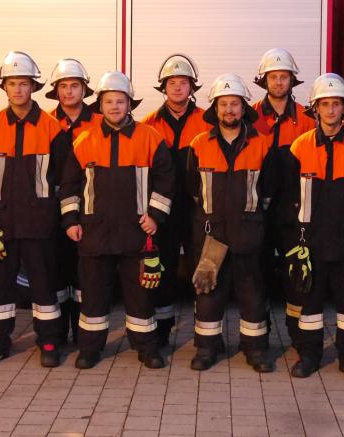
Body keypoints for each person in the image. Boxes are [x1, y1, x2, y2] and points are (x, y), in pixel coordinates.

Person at [60, 71, 176, 369]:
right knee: (94, 296)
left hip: (137, 233)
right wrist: (71, 221)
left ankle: (146, 347)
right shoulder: (84, 140)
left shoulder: (150, 137)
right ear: (100, 105)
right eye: (109, 101)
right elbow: (70, 187)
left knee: (140, 296)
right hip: (94, 233)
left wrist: (156, 216)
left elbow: (166, 181)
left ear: (129, 104)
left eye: (120, 101)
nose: (114, 107)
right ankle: (90, 348)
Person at [0, 51, 73, 368]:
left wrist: (55, 216)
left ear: (33, 87)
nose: (18, 90)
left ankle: (48, 341)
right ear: (4, 87)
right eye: (12, 83)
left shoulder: (52, 128)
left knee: (44, 286)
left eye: (24, 84)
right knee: (0, 286)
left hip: (40, 223)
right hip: (1, 224)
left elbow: (66, 178)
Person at [279, 73, 344, 379]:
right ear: (315, 108)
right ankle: (309, 355)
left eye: (336, 104)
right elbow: (289, 200)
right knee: (310, 304)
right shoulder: (299, 147)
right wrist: (293, 242)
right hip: (310, 241)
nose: (331, 110)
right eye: (325, 105)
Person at [184, 73, 276, 373]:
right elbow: (192, 190)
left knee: (252, 292)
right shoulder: (199, 144)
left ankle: (255, 349)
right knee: (209, 292)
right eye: (223, 104)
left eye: (235, 104)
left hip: (250, 231)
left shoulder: (262, 144)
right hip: (211, 232)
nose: (229, 111)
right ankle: (207, 348)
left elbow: (270, 190)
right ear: (215, 108)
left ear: (244, 107)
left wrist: (254, 217)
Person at [140, 54, 208, 347]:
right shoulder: (148, 125)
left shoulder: (207, 121)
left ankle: (204, 332)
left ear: (192, 87)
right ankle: (162, 330)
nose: (177, 88)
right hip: (163, 213)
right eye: (172, 83)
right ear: (163, 88)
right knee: (163, 271)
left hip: (197, 211)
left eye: (183, 83)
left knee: (201, 271)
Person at [250, 48, 315, 347]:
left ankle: (299, 338)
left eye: (283, 77)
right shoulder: (249, 115)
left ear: (292, 80)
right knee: (257, 274)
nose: (278, 82)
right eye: (273, 77)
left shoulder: (305, 118)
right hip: (257, 211)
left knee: (296, 274)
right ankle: (258, 338)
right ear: (264, 80)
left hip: (293, 211)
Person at [46, 58, 102, 344]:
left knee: (85, 276)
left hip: (90, 210)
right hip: (52, 211)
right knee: (57, 274)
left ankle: (84, 335)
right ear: (56, 91)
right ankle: (57, 335)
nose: (68, 92)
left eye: (74, 86)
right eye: (63, 87)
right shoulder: (45, 123)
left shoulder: (100, 123)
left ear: (84, 90)